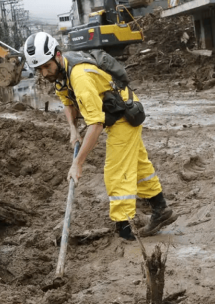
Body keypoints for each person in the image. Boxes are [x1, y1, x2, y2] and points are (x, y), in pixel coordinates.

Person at [23, 32, 177, 241]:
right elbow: (68, 103)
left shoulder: (79, 77)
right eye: (39, 69)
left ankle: (126, 230)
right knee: (139, 166)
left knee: (116, 171)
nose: (44, 73)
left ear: (57, 55)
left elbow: (95, 124)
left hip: (124, 114)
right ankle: (161, 210)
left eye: (46, 66)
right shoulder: (61, 74)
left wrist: (78, 163)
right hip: (114, 111)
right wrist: (73, 130)